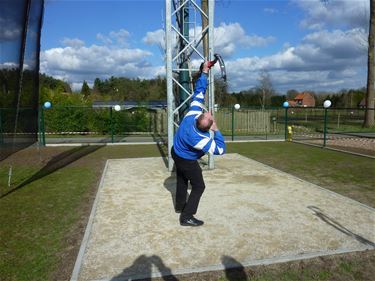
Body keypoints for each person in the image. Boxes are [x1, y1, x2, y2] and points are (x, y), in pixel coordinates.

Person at [172, 61, 226, 227]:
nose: (209, 112)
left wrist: (204, 71)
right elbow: (220, 149)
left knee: (181, 180)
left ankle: (180, 206)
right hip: (186, 160)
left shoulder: (193, 114)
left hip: (176, 152)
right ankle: (187, 217)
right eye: (210, 116)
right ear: (207, 128)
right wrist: (216, 131)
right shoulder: (200, 139)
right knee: (199, 186)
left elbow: (199, 91)